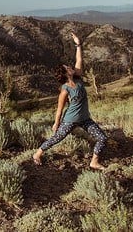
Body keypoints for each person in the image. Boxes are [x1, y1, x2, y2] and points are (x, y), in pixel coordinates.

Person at [33, 32, 107, 170]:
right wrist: (56, 123)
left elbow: (79, 60)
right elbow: (59, 109)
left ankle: (94, 162)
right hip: (70, 120)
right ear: (65, 74)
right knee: (57, 138)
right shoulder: (65, 90)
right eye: (68, 68)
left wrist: (78, 44)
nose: (71, 67)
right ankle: (37, 154)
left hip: (85, 119)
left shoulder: (78, 78)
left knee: (102, 138)